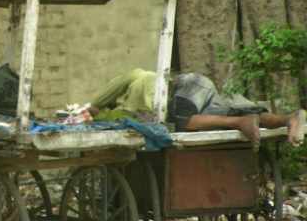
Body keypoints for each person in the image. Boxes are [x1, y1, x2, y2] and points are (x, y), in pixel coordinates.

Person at [86, 68, 306, 152]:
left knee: (181, 121)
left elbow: (93, 107)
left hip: (187, 85)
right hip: (197, 97)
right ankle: (288, 118)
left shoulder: (135, 75)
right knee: (230, 115)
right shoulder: (133, 115)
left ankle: (242, 124)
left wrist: (105, 116)